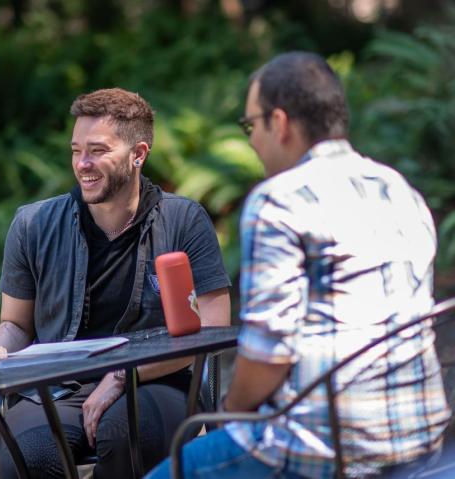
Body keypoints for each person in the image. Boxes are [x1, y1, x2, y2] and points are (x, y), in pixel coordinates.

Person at [147, 51, 452, 479]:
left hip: (322, 448)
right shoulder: (400, 191)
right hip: (418, 436)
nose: (251, 140)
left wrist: (230, 413)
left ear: (280, 122)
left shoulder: (279, 202)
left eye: (251, 125)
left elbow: (269, 355)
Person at [0, 87, 232, 478]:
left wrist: (123, 376)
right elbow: (15, 325)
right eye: (75, 150)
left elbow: (212, 329)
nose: (82, 163)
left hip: (158, 380)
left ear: (138, 154)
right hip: (57, 388)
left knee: (128, 436)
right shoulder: (33, 225)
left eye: (98, 150)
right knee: (29, 458)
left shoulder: (185, 221)